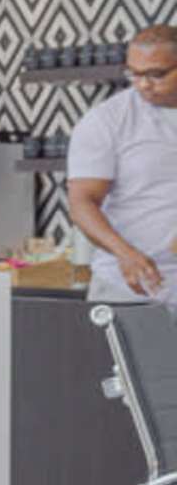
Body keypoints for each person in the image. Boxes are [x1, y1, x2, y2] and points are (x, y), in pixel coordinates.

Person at [65, 24, 177, 311]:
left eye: (156, 74)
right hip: (128, 288)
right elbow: (81, 203)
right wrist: (124, 253)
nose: (143, 84)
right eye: (134, 73)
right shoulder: (106, 122)